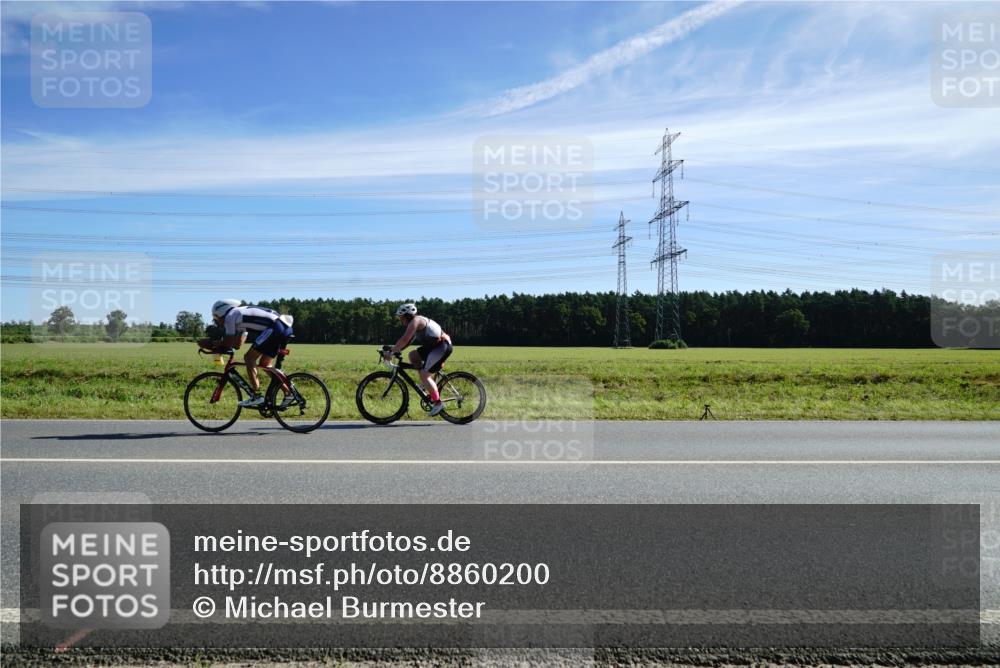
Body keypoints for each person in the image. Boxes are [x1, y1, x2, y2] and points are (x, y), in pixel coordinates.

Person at [211, 299, 294, 408]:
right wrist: (221, 345)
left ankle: (257, 396)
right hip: (283, 327)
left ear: (221, 312)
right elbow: (237, 344)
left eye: (216, 318)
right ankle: (288, 392)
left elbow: (228, 342)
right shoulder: (239, 315)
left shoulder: (230, 316)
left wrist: (211, 343)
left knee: (249, 358)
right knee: (265, 364)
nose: (217, 322)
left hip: (275, 328)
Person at [384, 303, 452, 416]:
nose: (400, 319)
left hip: (442, 346)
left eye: (401, 317)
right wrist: (394, 350)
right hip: (433, 346)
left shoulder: (416, 321)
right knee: (413, 355)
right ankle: (425, 383)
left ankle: (438, 403)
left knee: (425, 375)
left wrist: (391, 352)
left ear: (408, 315)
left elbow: (404, 339)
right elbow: (408, 342)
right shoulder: (414, 323)